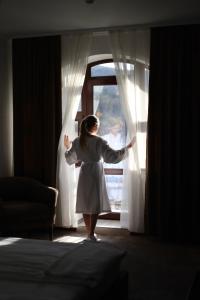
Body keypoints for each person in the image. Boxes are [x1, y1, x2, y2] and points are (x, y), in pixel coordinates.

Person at [64, 114, 135, 241]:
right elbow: (111, 156)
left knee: (85, 201)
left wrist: (67, 147)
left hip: (84, 171)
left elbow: (70, 159)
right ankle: (91, 233)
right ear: (95, 126)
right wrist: (127, 148)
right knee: (94, 201)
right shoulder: (99, 141)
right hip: (95, 171)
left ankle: (89, 233)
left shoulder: (77, 141)